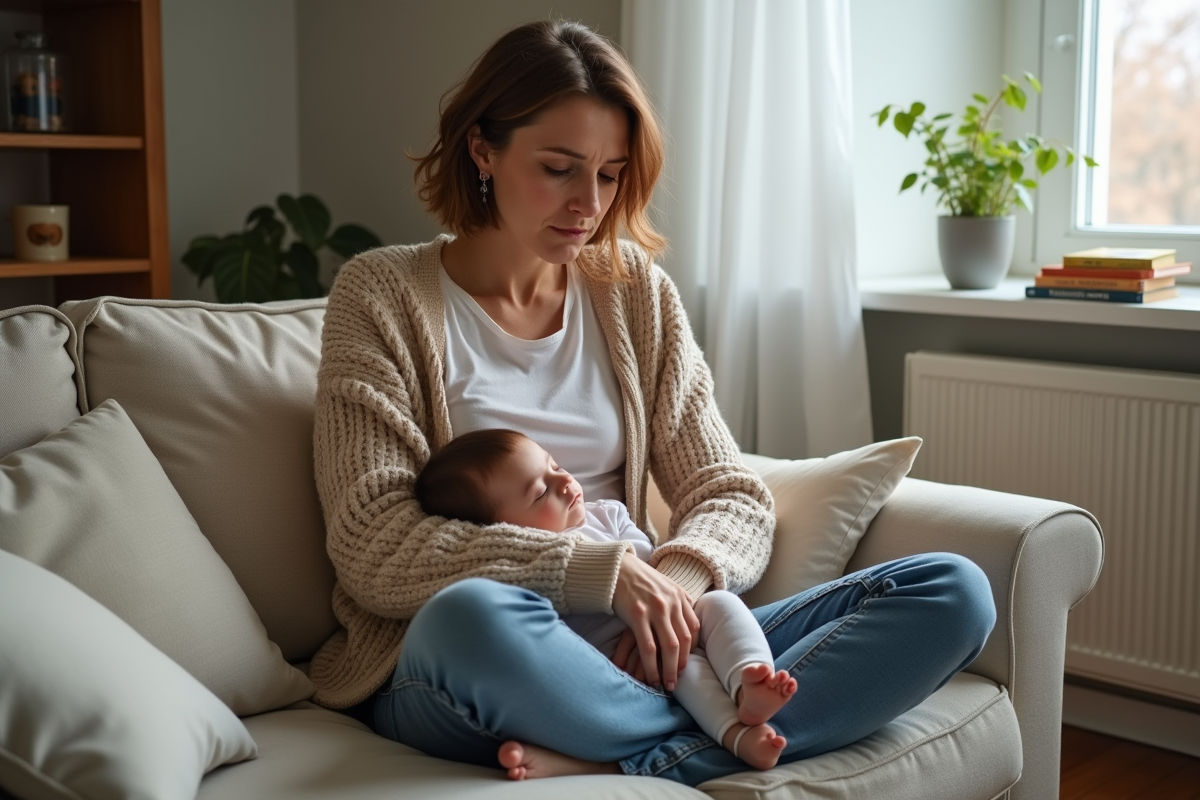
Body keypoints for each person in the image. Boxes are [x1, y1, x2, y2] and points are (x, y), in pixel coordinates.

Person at [309, 18, 996, 786]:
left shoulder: (632, 291)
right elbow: (374, 544)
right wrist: (601, 574)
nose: (588, 204)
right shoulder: (380, 295)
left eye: (609, 175)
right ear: (482, 150)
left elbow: (730, 493)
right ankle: (705, 730)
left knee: (952, 590)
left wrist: (672, 594)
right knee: (470, 618)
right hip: (479, 656)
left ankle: (619, 752)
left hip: (645, 646)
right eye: (559, 168)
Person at [415, 427, 799, 770]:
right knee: (685, 673)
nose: (564, 481)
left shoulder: (607, 515)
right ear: (503, 532)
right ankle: (735, 734)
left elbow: (655, 569)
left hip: (677, 624)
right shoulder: (521, 570)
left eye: (554, 465)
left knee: (721, 604)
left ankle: (750, 679)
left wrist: (673, 605)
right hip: (618, 672)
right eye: (540, 493)